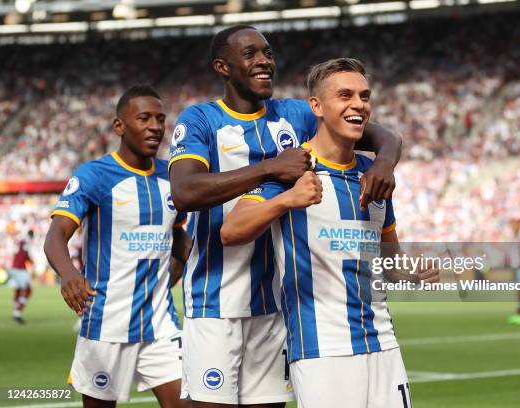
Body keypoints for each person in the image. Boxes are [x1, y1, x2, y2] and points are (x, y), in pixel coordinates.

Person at [169, 26, 402, 407]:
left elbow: (382, 136)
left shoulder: (295, 114)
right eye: (250, 54)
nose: (264, 61)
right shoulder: (201, 120)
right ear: (222, 67)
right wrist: (269, 169)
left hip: (277, 305)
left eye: (268, 53)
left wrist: (386, 164)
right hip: (215, 300)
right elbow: (184, 192)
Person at [221, 58, 437, 408]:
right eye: (345, 95)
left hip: (383, 343)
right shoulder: (291, 168)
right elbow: (231, 231)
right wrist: (288, 199)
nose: (358, 105)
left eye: (365, 96)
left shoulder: (375, 176)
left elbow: (390, 264)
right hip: (323, 351)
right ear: (317, 106)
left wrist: (412, 274)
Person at [44, 85, 191, 408]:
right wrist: (69, 274)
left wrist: (171, 277)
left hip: (160, 324)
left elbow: (180, 239)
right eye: (144, 118)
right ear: (119, 126)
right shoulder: (96, 175)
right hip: (105, 325)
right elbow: (56, 235)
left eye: (160, 118)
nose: (155, 126)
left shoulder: (173, 176)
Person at [9, 230, 34, 324]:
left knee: (18, 290)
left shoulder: (20, 240)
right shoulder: (27, 241)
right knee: (28, 290)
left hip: (14, 267)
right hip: (20, 269)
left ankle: (16, 311)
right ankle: (17, 313)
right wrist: (32, 261)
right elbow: (26, 254)